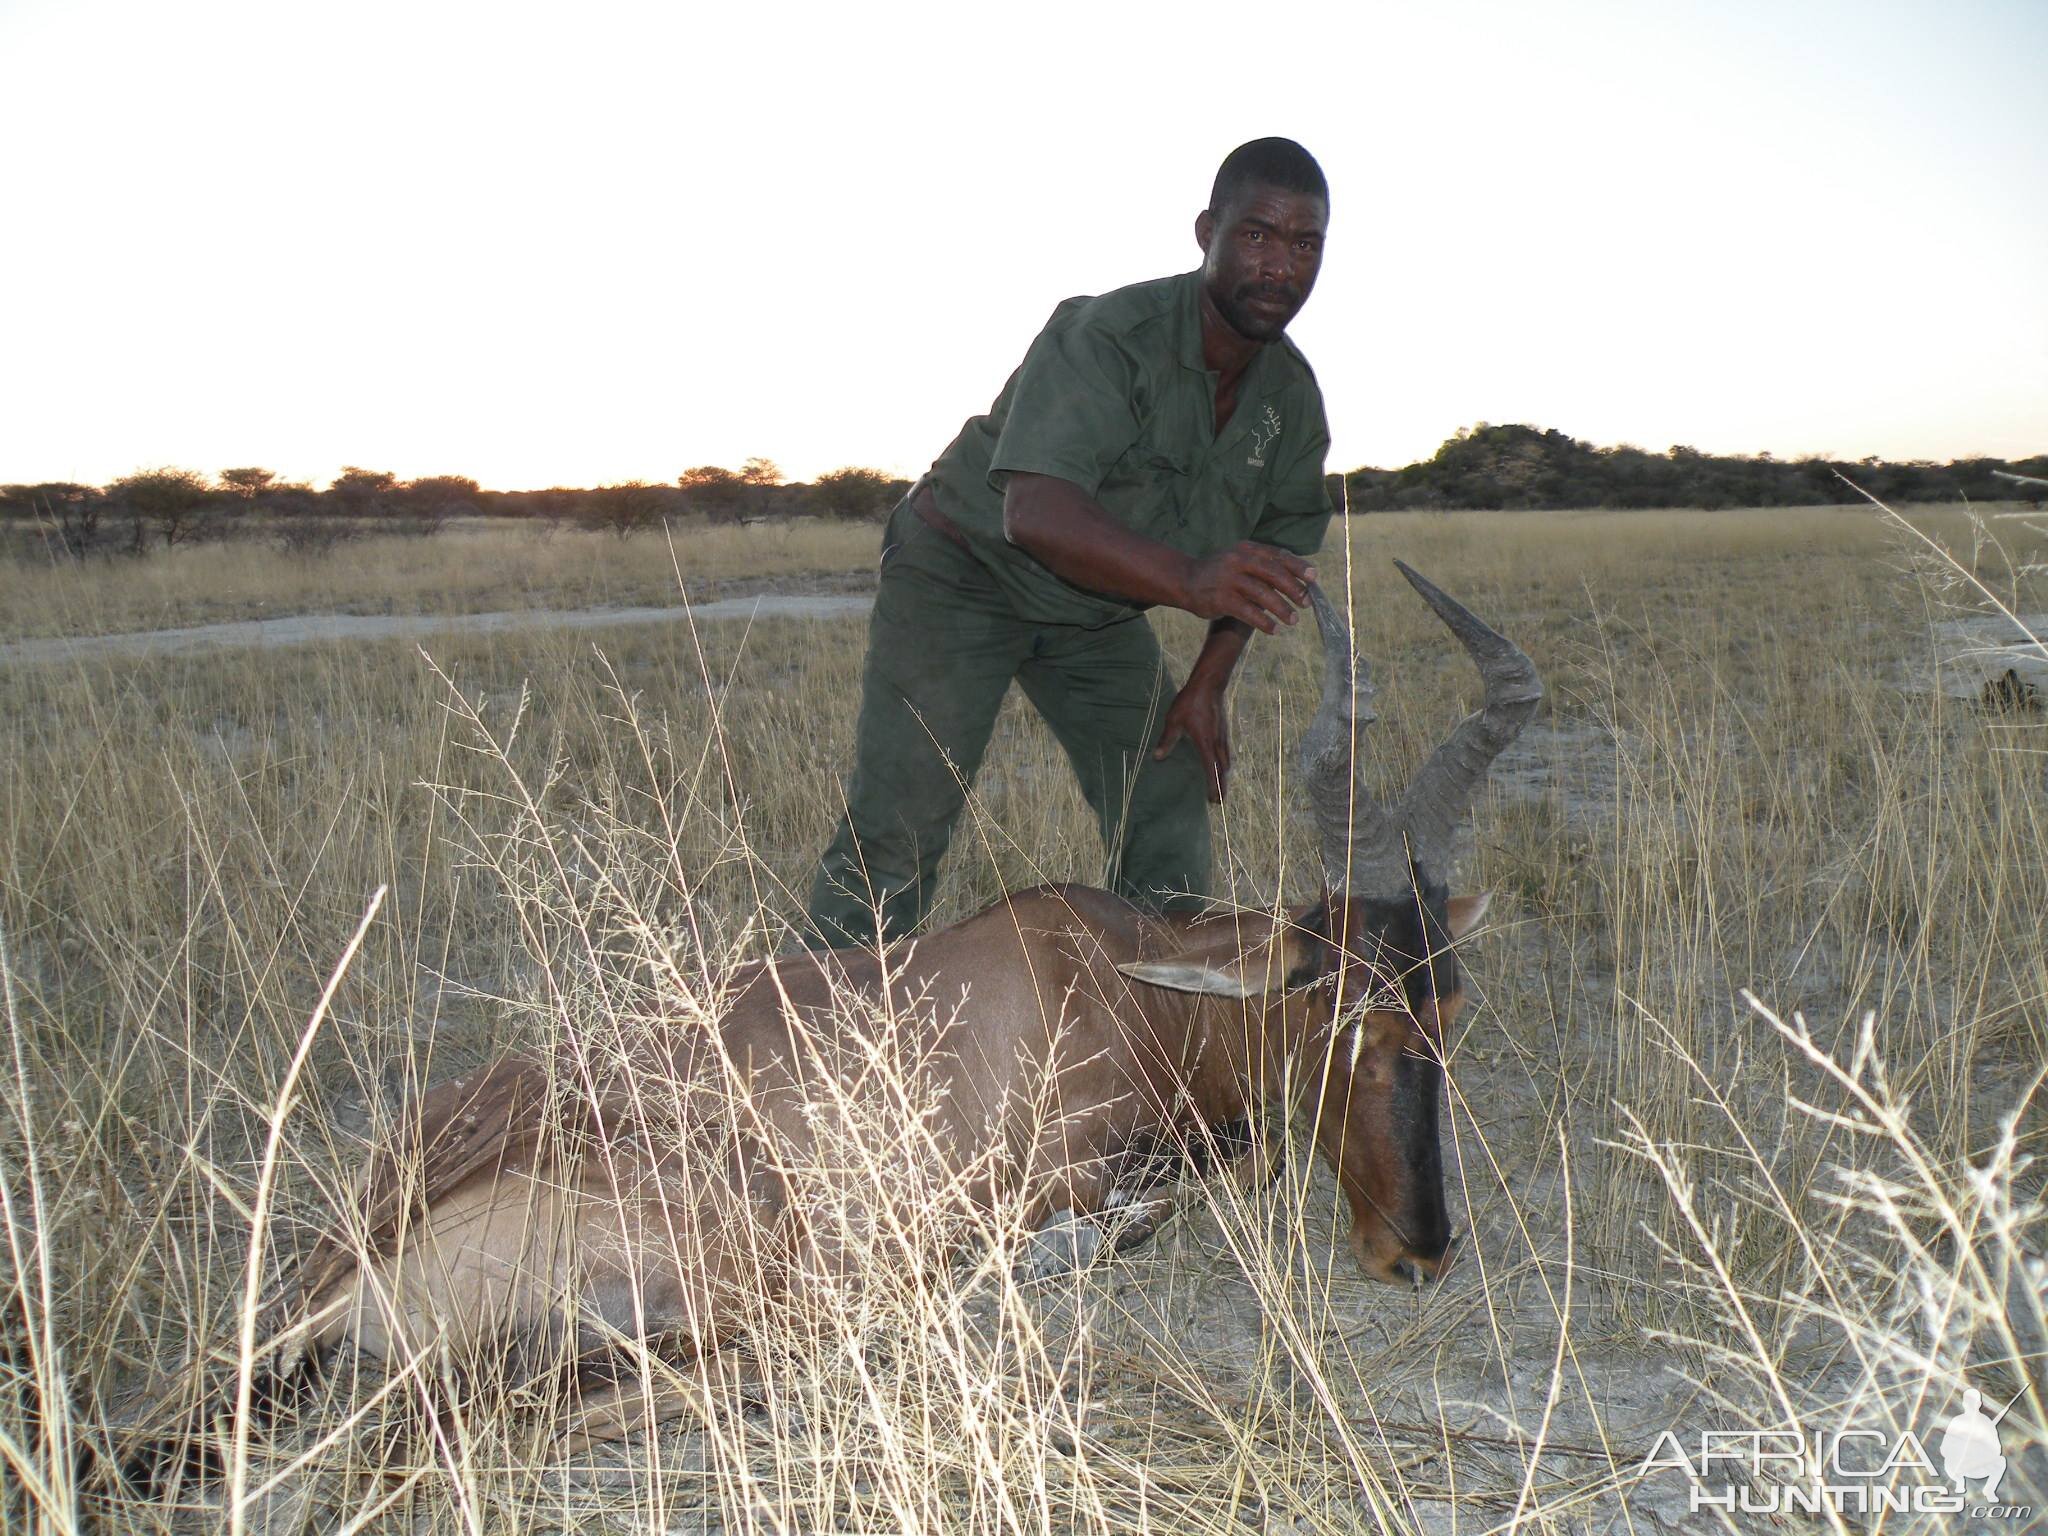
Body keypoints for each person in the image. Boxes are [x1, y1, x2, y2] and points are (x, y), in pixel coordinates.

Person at [805, 137, 1335, 950]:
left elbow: (1269, 562)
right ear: (1207, 233)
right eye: (1257, 235)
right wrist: (1191, 577)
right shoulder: (1110, 333)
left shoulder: (1292, 403)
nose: (1280, 267)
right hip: (964, 570)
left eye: (1306, 244)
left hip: (1092, 614)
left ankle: (1158, 1026)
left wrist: (1207, 685)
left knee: (1168, 790)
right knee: (901, 828)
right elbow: (1034, 511)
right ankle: (815, 1044)